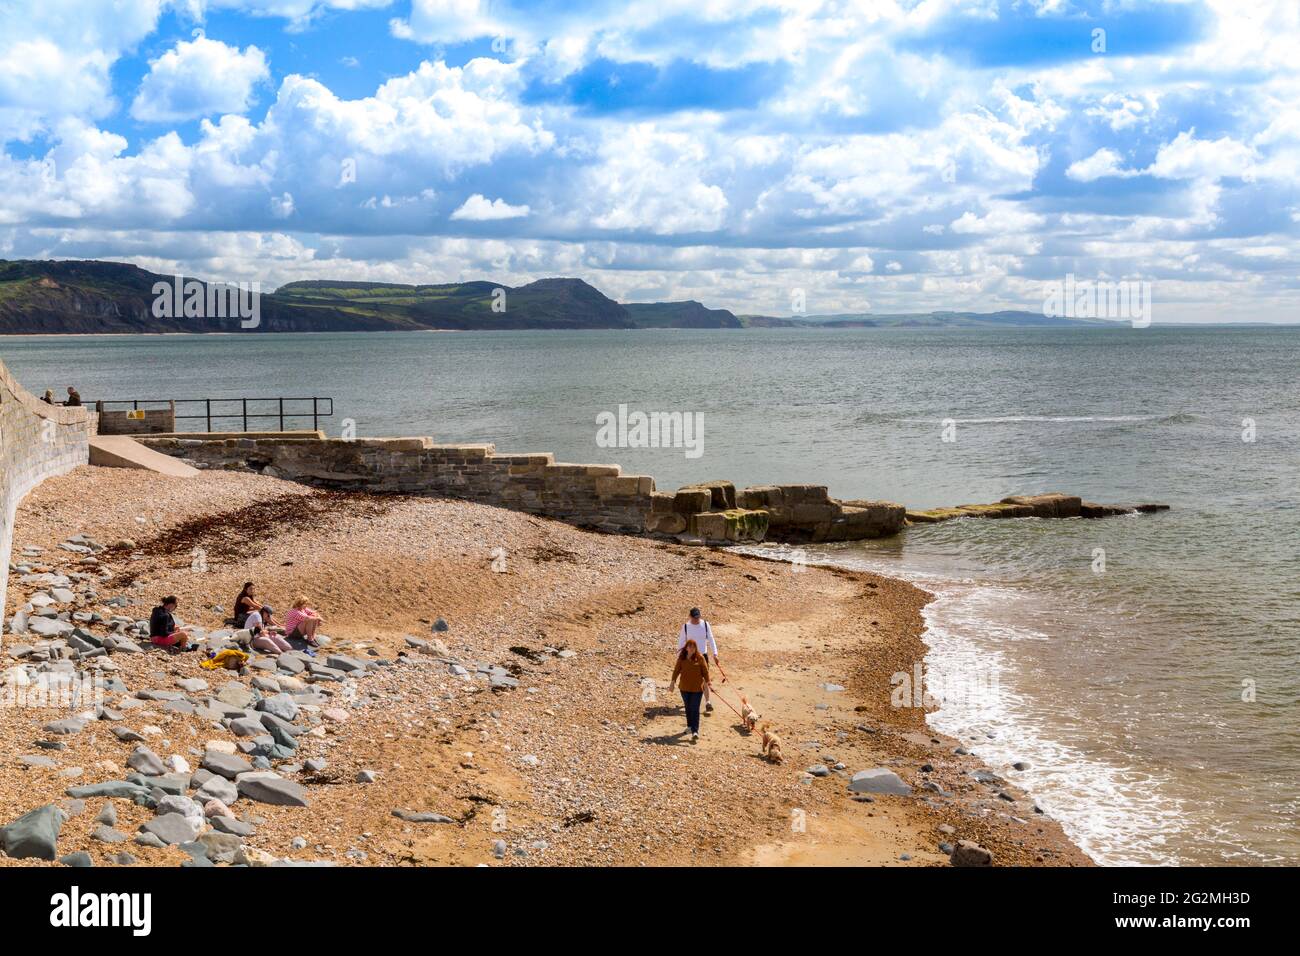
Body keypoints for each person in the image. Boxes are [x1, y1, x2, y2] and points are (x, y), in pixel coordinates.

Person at [677, 607, 721, 714]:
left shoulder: (705, 625)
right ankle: (689, 700)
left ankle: (708, 702)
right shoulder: (686, 627)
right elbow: (681, 642)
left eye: (698, 617)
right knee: (690, 679)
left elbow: (711, 639)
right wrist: (679, 658)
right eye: (694, 618)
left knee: (705, 679)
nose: (696, 620)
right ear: (690, 616)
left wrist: (715, 653)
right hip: (689, 657)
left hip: (703, 656)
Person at [669, 638, 710, 743]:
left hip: (697, 688)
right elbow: (676, 670)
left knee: (695, 709)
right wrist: (672, 682)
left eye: (693, 646)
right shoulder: (682, 658)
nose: (691, 648)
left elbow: (705, 671)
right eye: (689, 646)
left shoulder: (700, 658)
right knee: (688, 708)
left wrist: (708, 681)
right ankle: (689, 726)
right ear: (686, 648)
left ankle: (695, 731)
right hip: (684, 688)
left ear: (696, 648)